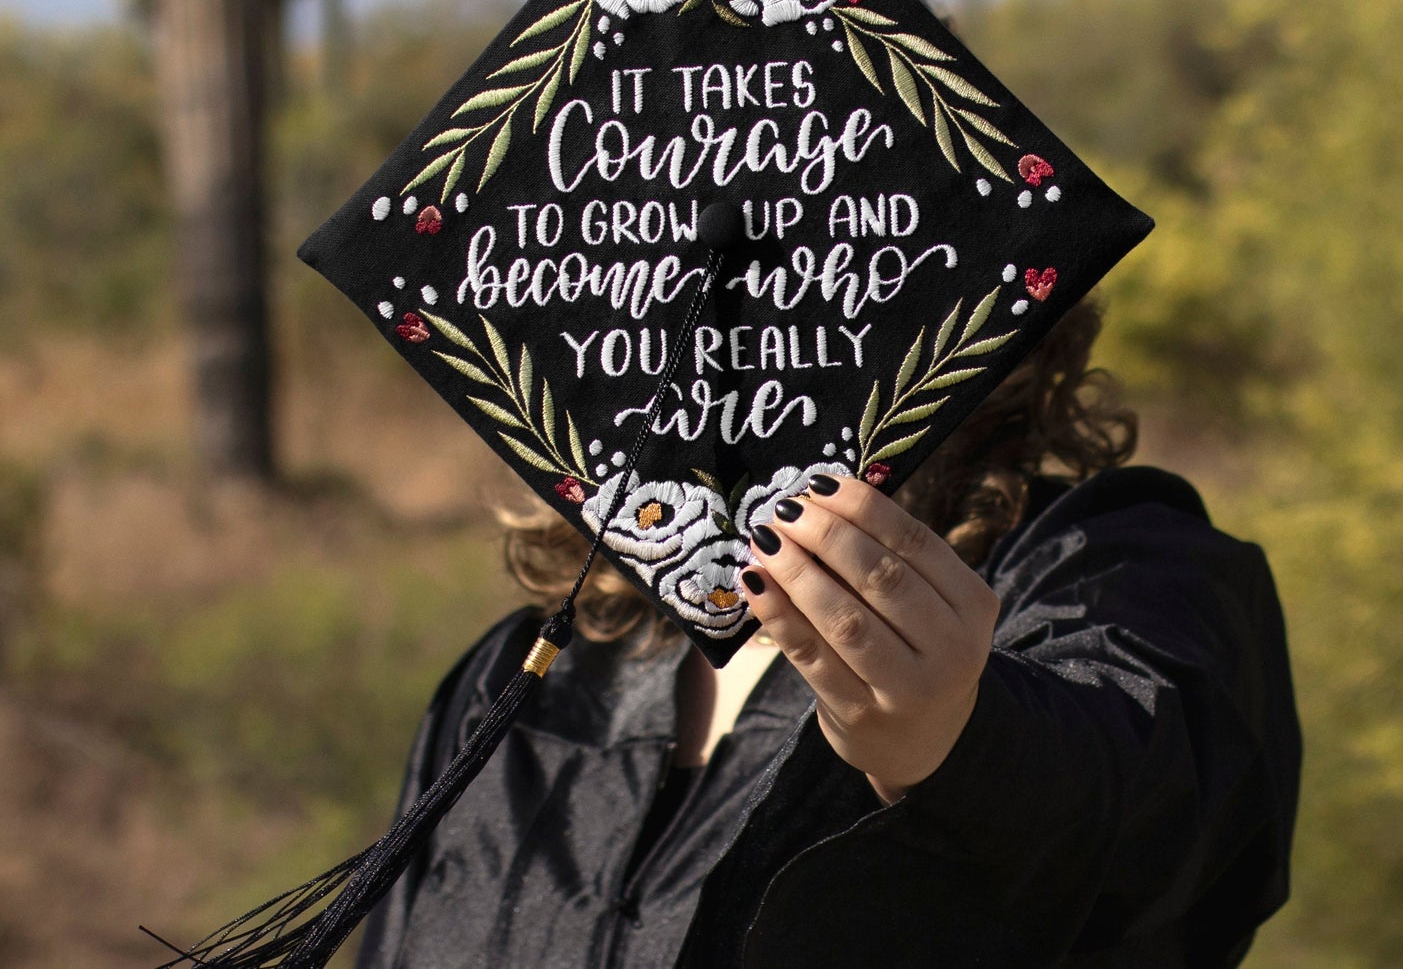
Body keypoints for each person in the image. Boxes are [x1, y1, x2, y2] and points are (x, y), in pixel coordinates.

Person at [354, 295, 1302, 968]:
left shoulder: (1103, 569)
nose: (739, 310)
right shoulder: (528, 676)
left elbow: (1160, 808)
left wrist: (961, 745)